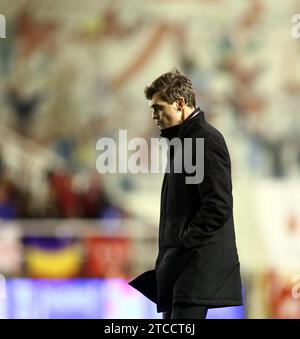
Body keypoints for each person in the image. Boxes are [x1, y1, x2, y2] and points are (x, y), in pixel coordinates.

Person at [129, 68, 243, 319]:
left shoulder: (206, 140)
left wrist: (182, 242)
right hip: (180, 267)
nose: (154, 116)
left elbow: (218, 206)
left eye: (158, 108)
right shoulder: (183, 142)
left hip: (194, 266)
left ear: (180, 104)